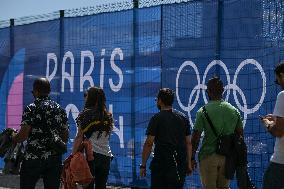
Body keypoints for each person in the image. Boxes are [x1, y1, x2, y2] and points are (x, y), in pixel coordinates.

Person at [12, 77, 69, 189]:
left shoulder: (31, 108)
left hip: (33, 158)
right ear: (49, 91)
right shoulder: (59, 109)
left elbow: (23, 135)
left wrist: (13, 137)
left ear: (36, 91)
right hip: (54, 158)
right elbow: (65, 135)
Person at [191, 77, 243, 189]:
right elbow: (240, 136)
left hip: (208, 156)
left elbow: (195, 138)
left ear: (208, 91)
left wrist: (191, 158)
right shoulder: (234, 110)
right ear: (223, 90)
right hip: (227, 157)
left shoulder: (202, 111)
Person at [140, 88, 192, 189]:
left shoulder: (156, 118)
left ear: (160, 101)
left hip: (161, 165)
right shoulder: (183, 118)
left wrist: (143, 165)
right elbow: (188, 143)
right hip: (179, 165)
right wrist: (189, 164)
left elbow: (149, 143)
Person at [72, 86, 113, 189]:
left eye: (86, 96)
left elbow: (79, 136)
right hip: (106, 156)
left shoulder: (85, 114)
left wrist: (73, 156)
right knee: (101, 186)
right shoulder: (108, 116)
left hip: (90, 155)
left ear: (90, 98)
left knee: (87, 186)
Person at [261, 62, 284, 189]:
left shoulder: (283, 95)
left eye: (277, 79)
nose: (278, 83)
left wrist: (268, 124)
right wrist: (276, 118)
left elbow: (279, 132)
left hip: (281, 161)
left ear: (282, 75)